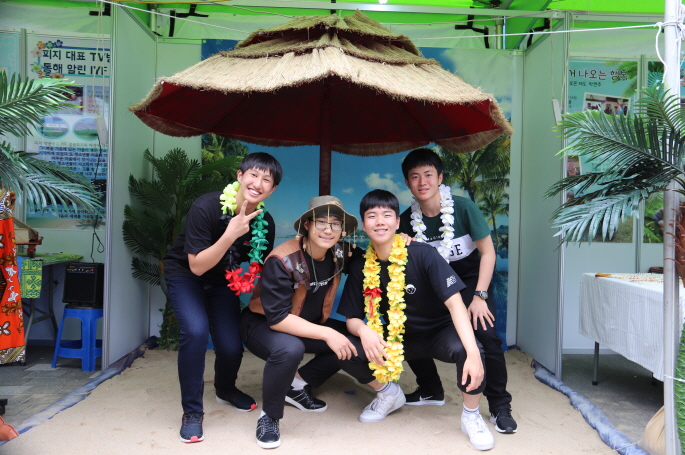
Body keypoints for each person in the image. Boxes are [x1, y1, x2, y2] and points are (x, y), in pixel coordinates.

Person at [338, 189, 494, 451]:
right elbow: (352, 318)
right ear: (364, 225)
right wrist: (364, 331)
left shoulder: (423, 254)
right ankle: (388, 394)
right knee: (345, 347)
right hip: (400, 338)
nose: (380, 221)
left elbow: (456, 304)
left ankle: (471, 415)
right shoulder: (361, 266)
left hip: (439, 333)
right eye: (372, 216)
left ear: (398, 222)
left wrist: (473, 353)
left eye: (387, 215)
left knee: (471, 350)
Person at [163, 152, 282, 443]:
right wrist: (230, 234)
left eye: (266, 180)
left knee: (230, 345)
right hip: (186, 275)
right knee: (195, 332)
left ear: (272, 189)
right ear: (240, 176)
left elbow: (261, 269)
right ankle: (192, 412)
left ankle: (225, 388)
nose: (258, 183)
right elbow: (196, 265)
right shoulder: (206, 207)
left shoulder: (265, 222)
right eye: (253, 175)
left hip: (222, 281)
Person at [240, 196, 376, 449]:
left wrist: (402, 241)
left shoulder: (340, 251)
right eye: (321, 222)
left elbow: (372, 256)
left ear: (342, 229)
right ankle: (269, 416)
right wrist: (328, 334)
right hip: (262, 325)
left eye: (335, 224)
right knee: (290, 348)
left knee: (352, 340)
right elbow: (278, 318)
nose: (328, 230)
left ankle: (297, 386)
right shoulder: (282, 259)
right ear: (307, 225)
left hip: (305, 323)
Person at [396, 148, 517, 435]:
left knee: (487, 336)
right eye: (415, 176)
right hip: (433, 287)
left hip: (472, 281)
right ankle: (430, 389)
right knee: (410, 327)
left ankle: (500, 405)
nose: (422, 182)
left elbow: (489, 253)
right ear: (408, 183)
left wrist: (480, 296)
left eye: (428, 174)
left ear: (440, 178)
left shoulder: (463, 208)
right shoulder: (405, 220)